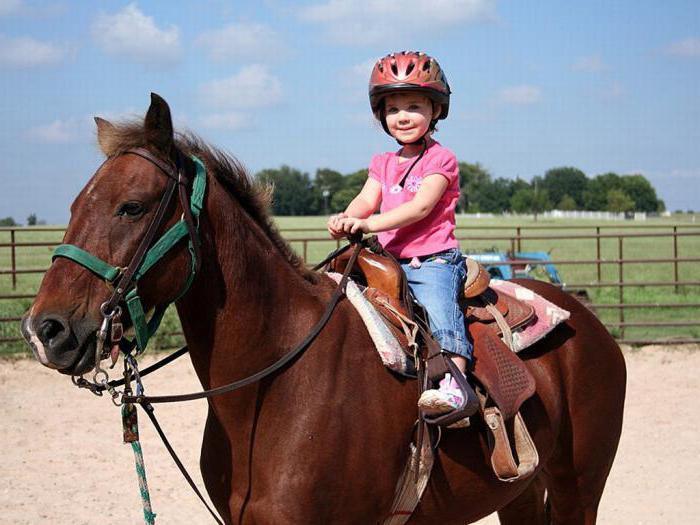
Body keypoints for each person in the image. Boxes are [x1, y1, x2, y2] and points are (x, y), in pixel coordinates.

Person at [327, 51, 473, 415]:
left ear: (436, 110)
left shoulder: (442, 160)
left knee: (441, 311)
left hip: (432, 262)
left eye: (413, 106)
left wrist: (368, 224)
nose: (402, 117)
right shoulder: (383, 163)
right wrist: (346, 217)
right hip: (388, 261)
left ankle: (456, 382)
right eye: (393, 109)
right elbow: (366, 199)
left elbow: (420, 208)